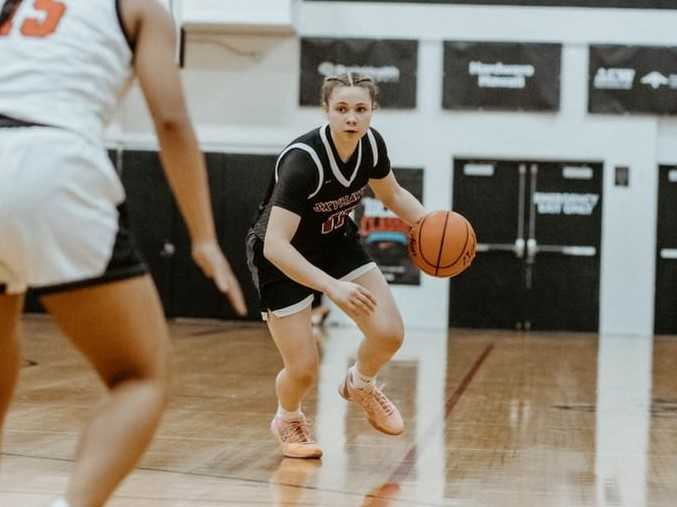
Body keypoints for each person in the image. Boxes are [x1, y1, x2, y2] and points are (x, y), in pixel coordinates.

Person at [0, 1, 246, 506]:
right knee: (140, 377)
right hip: (53, 160)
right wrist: (202, 237)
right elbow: (172, 121)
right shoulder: (140, 6)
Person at [246, 72, 427, 459]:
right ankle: (287, 418)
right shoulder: (303, 162)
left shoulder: (372, 146)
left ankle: (361, 383)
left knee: (389, 333)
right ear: (326, 110)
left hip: (335, 242)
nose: (351, 118)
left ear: (372, 112)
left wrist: (432, 224)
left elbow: (392, 193)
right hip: (280, 256)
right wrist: (331, 286)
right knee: (304, 368)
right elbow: (276, 244)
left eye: (361, 109)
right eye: (342, 109)